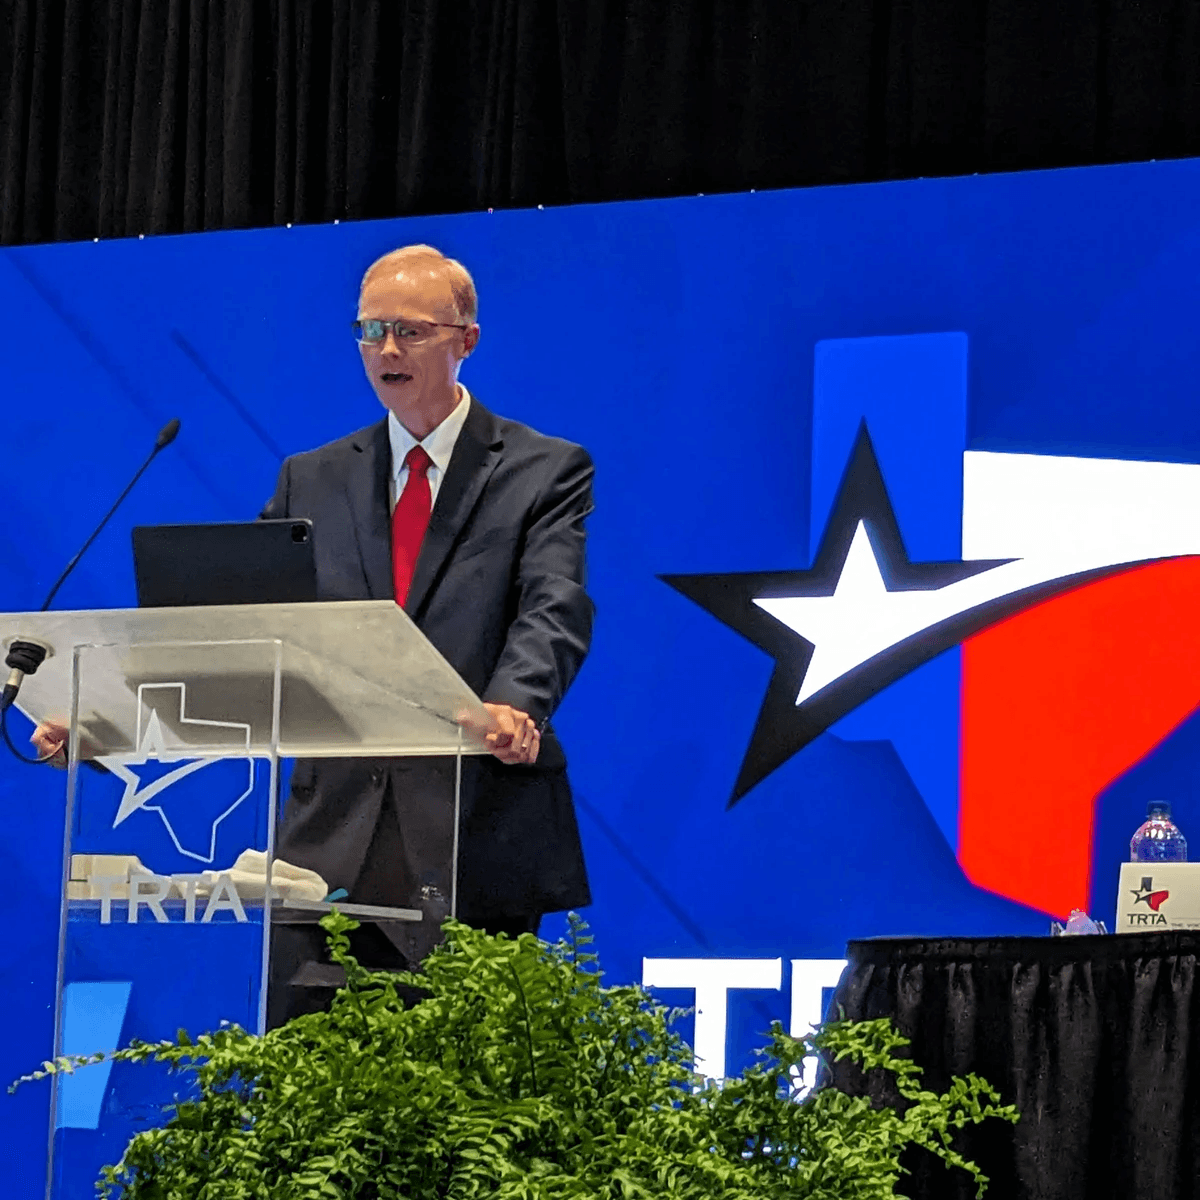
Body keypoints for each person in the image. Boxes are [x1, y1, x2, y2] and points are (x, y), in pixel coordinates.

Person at [34, 244, 595, 1024]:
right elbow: (233, 640)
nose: (386, 350)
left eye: (410, 331)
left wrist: (516, 706)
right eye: (371, 330)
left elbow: (553, 605)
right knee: (306, 1086)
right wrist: (104, 724)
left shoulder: (543, 470)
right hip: (325, 846)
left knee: (462, 1090)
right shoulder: (313, 477)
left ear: (466, 340)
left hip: (473, 829)